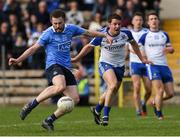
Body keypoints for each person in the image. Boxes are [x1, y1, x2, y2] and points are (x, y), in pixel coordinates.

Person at [8, 9, 112, 131]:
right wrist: (18, 60)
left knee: (75, 99)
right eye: (55, 23)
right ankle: (31, 105)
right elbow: (33, 48)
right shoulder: (47, 34)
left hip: (66, 67)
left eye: (60, 23)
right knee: (60, 86)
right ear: (51, 22)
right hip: (53, 65)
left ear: (64, 21)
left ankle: (49, 120)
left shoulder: (71, 29)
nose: (57, 26)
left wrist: (105, 35)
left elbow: (88, 33)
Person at [72, 13, 151, 126]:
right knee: (113, 85)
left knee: (112, 90)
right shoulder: (102, 35)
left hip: (119, 66)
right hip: (105, 64)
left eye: (119, 24)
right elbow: (88, 47)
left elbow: (134, 45)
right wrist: (76, 58)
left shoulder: (126, 33)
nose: (117, 26)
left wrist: (142, 59)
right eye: (114, 24)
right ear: (109, 24)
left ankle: (97, 109)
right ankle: (105, 115)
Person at [138, 11, 175, 120]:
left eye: (155, 18)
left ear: (158, 21)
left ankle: (154, 101)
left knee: (170, 94)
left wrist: (170, 49)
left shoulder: (164, 35)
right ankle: (159, 114)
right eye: (151, 19)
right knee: (159, 90)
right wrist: (144, 59)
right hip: (153, 66)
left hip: (164, 66)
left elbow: (171, 48)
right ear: (148, 22)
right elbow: (139, 50)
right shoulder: (144, 36)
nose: (154, 20)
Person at [128, 12, 152, 116]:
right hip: (135, 63)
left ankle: (143, 102)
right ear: (133, 22)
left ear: (143, 21)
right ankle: (138, 110)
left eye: (140, 20)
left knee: (149, 89)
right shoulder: (128, 33)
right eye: (136, 20)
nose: (138, 22)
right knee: (137, 86)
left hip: (146, 63)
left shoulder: (147, 32)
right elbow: (129, 48)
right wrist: (140, 54)